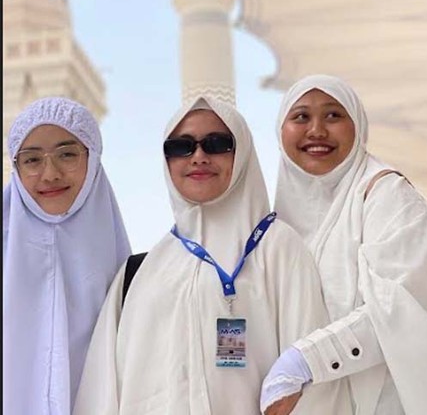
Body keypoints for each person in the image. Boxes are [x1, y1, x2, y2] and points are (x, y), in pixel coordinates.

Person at [74, 94, 352, 415]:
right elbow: (102, 392)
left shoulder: (278, 249)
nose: (199, 157)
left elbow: (314, 382)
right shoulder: (138, 273)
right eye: (181, 146)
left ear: (243, 152)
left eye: (217, 143)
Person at [260, 74, 427, 415]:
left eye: (333, 115)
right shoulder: (277, 221)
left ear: (357, 126)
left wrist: (303, 362)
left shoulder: (389, 197)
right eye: (300, 116)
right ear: (280, 129)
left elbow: (400, 308)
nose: (316, 130)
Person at [3, 96, 131, 415]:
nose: (50, 174)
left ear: (93, 160)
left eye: (67, 154)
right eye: (32, 160)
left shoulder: (133, 275)